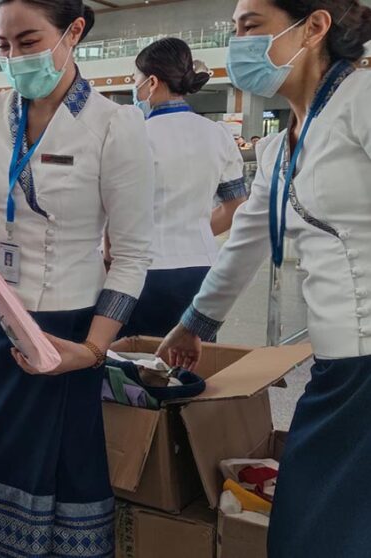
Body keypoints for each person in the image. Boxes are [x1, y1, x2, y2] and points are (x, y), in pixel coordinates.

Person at [0, 0, 153, 554]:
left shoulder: (113, 125)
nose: (14, 58)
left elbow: (130, 255)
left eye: (28, 42)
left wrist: (92, 350)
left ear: (73, 32)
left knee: (62, 469)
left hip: (67, 329)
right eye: (3, 46)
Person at [158, 2, 371, 556]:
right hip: (338, 364)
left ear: (316, 26)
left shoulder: (363, 101)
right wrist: (192, 324)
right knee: (313, 524)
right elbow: (246, 240)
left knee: (317, 528)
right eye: (234, 29)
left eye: (251, 26)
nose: (238, 42)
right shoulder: (281, 146)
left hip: (365, 361)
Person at [121, 37, 248, 338]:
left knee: (135, 367)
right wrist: (195, 228)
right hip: (202, 269)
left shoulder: (134, 135)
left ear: (151, 82)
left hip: (143, 271)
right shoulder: (218, 135)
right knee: (192, 362)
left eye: (135, 80)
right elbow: (236, 206)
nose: (135, 88)